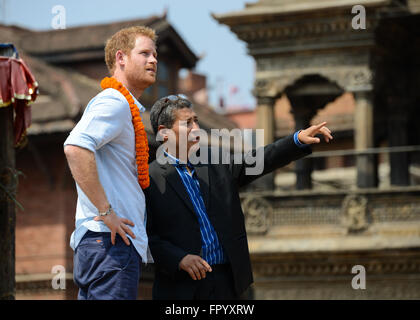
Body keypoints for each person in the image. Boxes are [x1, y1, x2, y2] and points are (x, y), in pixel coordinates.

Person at [145, 95, 333, 300]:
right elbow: (147, 237)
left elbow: (260, 159)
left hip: (227, 281)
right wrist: (179, 259)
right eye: (187, 123)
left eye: (196, 121)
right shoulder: (149, 179)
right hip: (180, 288)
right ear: (164, 132)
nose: (196, 128)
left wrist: (296, 140)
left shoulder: (215, 163)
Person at [63, 26, 158, 300]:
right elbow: (76, 147)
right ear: (121, 58)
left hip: (104, 244)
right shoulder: (115, 101)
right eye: (144, 53)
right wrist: (107, 213)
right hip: (111, 242)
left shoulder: (122, 104)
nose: (153, 61)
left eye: (155, 55)